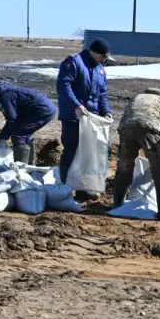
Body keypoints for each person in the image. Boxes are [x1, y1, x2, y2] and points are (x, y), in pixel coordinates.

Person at [56, 38, 112, 201]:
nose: (104, 60)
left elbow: (102, 94)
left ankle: (82, 189)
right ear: (93, 52)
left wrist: (106, 111)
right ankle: (65, 188)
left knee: (88, 153)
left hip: (91, 118)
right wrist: (76, 106)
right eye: (103, 56)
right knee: (71, 150)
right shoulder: (73, 63)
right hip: (73, 116)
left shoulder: (100, 70)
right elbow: (63, 87)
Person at [112, 88, 160, 221]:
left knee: (125, 166)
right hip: (149, 128)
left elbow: (126, 119)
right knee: (159, 171)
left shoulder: (137, 98)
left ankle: (118, 204)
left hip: (126, 128)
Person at [0, 82, 56, 164]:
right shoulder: (4, 93)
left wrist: (1, 137)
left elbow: (11, 120)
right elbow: (14, 117)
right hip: (43, 108)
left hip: (41, 110)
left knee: (18, 135)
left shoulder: (5, 97)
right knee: (24, 134)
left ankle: (20, 170)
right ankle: (30, 166)